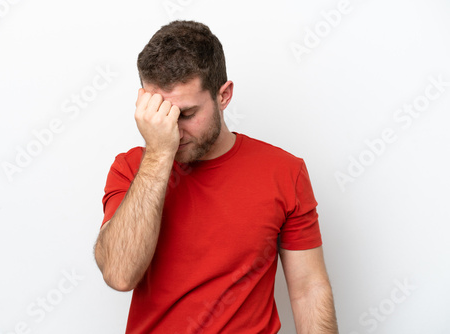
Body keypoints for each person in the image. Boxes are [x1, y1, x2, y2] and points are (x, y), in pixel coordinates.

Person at [94, 20, 338, 334]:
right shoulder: (131, 169)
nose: (172, 129)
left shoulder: (284, 171)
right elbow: (119, 274)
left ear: (223, 96)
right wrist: (157, 155)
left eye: (186, 114)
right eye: (160, 114)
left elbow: (309, 289)